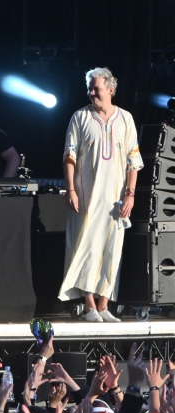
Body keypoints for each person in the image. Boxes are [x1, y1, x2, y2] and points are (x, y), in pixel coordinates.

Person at [58, 67, 144, 323]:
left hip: (115, 199)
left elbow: (133, 160)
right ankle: (89, 306)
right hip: (87, 197)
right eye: (89, 88)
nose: (91, 92)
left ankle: (104, 304)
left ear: (110, 89)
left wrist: (130, 194)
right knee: (87, 247)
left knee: (112, 249)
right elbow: (69, 156)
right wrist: (71, 189)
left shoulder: (125, 119)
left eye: (96, 88)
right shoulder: (80, 117)